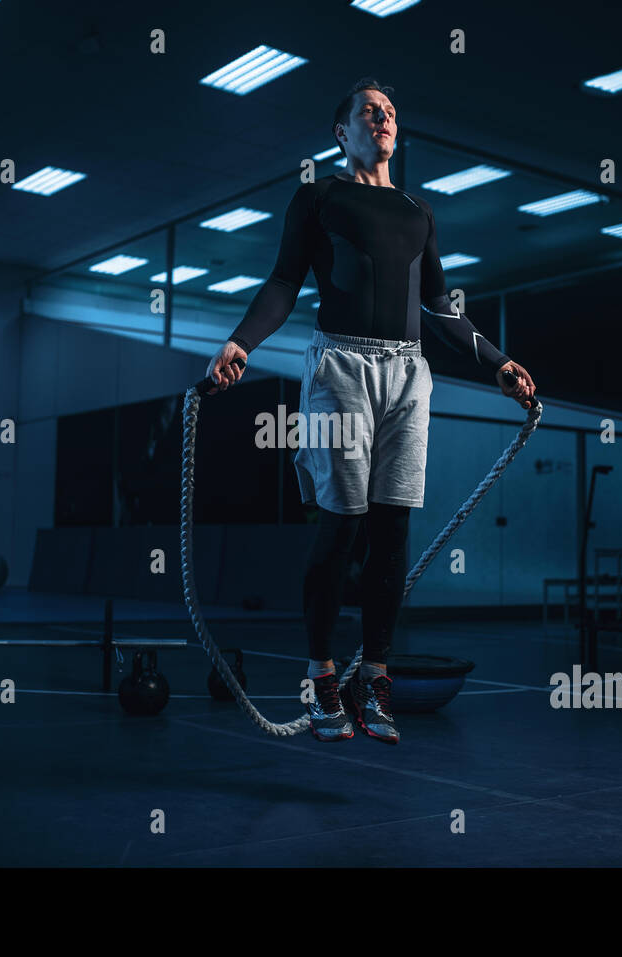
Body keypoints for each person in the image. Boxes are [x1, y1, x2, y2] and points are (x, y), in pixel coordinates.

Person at [204, 78, 536, 744]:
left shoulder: (418, 212)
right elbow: (281, 282)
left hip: (410, 372)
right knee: (342, 525)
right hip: (341, 367)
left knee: (392, 529)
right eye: (368, 111)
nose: (383, 118)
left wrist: (497, 360)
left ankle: (375, 676)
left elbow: (441, 305)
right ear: (342, 132)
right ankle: (323, 673)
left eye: (391, 112)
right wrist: (241, 341)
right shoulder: (320, 196)